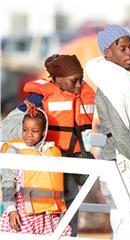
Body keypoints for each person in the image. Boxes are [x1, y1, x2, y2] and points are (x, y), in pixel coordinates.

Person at [1, 54, 95, 236]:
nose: (79, 85)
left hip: (72, 170)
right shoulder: (38, 100)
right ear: (58, 80)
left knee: (69, 226)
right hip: (46, 176)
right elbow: (5, 129)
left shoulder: (83, 95)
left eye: (81, 80)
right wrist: (37, 133)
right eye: (74, 81)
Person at [85, 24, 130, 238]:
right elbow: (120, 133)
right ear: (108, 52)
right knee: (129, 221)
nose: (129, 52)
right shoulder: (109, 85)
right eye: (122, 48)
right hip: (122, 162)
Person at [0, 102, 71, 236]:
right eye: (25, 129)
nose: (28, 135)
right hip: (22, 214)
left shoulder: (50, 151)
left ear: (43, 131)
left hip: (46, 216)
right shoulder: (15, 151)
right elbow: (8, 182)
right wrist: (11, 209)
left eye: (34, 131)